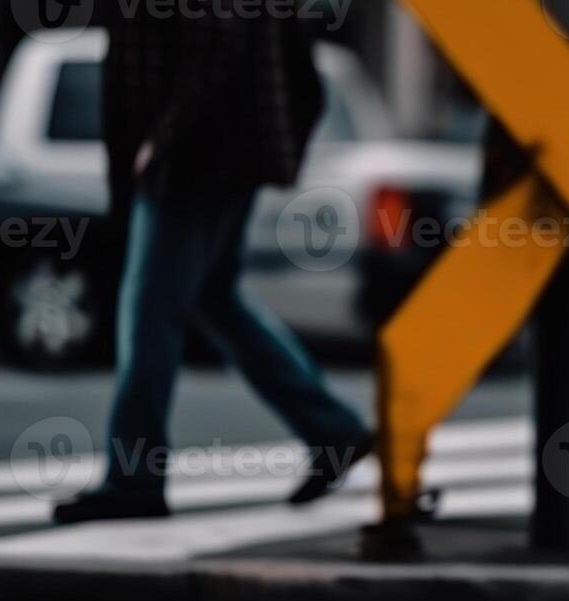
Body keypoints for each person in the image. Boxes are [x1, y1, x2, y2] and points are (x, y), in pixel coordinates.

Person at [55, 7, 373, 525]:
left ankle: (135, 479)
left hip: (196, 157)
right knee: (213, 299)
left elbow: (215, 45)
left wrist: (163, 137)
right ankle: (331, 429)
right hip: (220, 150)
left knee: (151, 313)